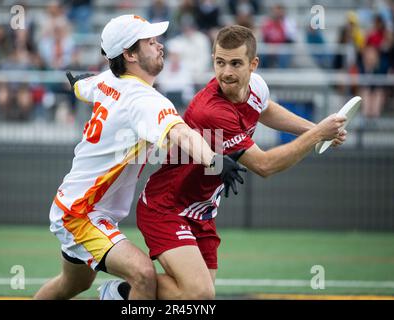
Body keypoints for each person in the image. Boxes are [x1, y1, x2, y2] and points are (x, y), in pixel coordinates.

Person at [101, 25, 348, 300]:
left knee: (199, 296)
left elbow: (265, 108)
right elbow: (265, 166)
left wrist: (312, 128)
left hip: (202, 210)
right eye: (220, 62)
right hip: (167, 206)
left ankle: (125, 293)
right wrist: (317, 135)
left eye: (235, 63)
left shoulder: (256, 87)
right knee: (198, 293)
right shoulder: (211, 111)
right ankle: (120, 294)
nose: (226, 72)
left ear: (253, 65)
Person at [33, 15, 244, 300]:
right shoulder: (144, 100)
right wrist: (215, 161)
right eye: (150, 42)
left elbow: (85, 86)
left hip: (76, 205)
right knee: (143, 274)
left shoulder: (109, 78)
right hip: (81, 214)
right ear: (129, 54)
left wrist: (76, 85)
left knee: (71, 285)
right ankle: (115, 295)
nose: (160, 46)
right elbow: (181, 133)